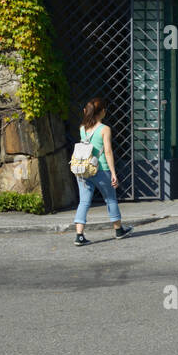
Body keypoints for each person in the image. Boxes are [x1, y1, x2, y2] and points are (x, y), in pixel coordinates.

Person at [73, 97, 132, 246]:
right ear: (102, 112)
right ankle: (118, 230)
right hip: (101, 170)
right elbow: (108, 152)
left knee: (84, 202)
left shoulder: (82, 128)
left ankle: (79, 235)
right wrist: (113, 173)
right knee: (110, 199)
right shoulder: (104, 129)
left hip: (84, 170)